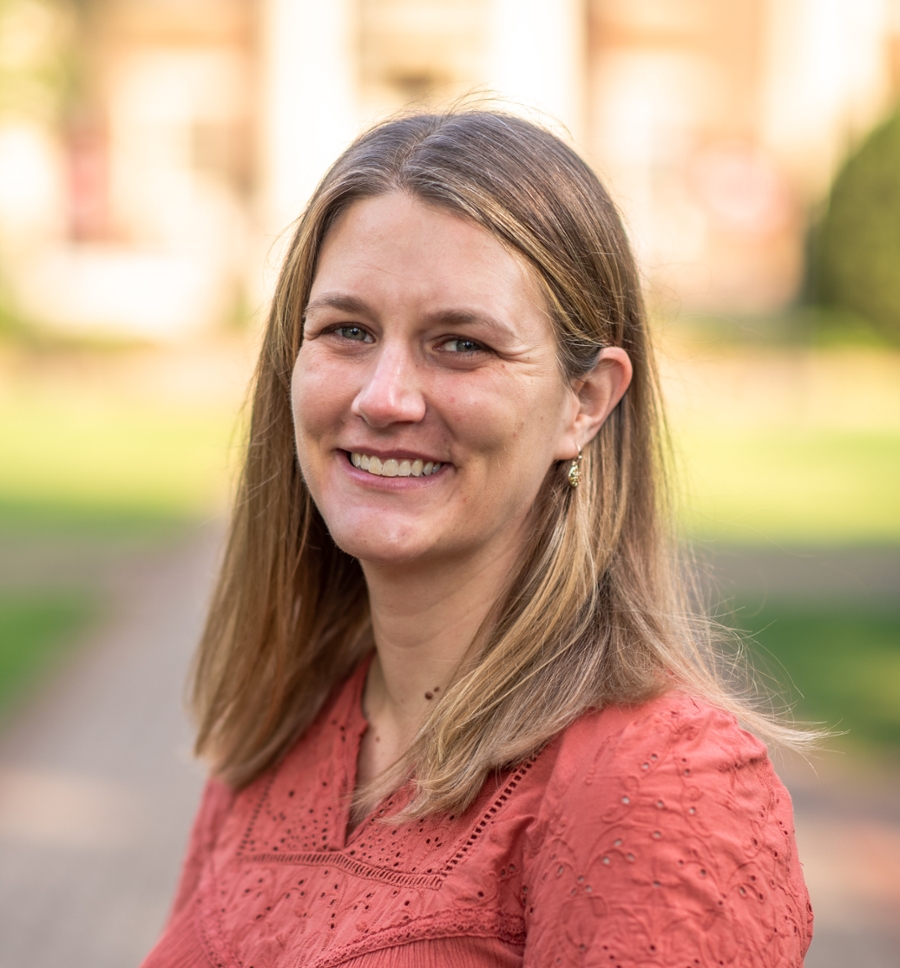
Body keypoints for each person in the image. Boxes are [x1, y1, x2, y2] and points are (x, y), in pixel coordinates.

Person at [140, 110, 813, 968]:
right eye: (347, 330)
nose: (385, 397)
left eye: (461, 344)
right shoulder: (279, 735)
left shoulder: (659, 784)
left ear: (586, 402)